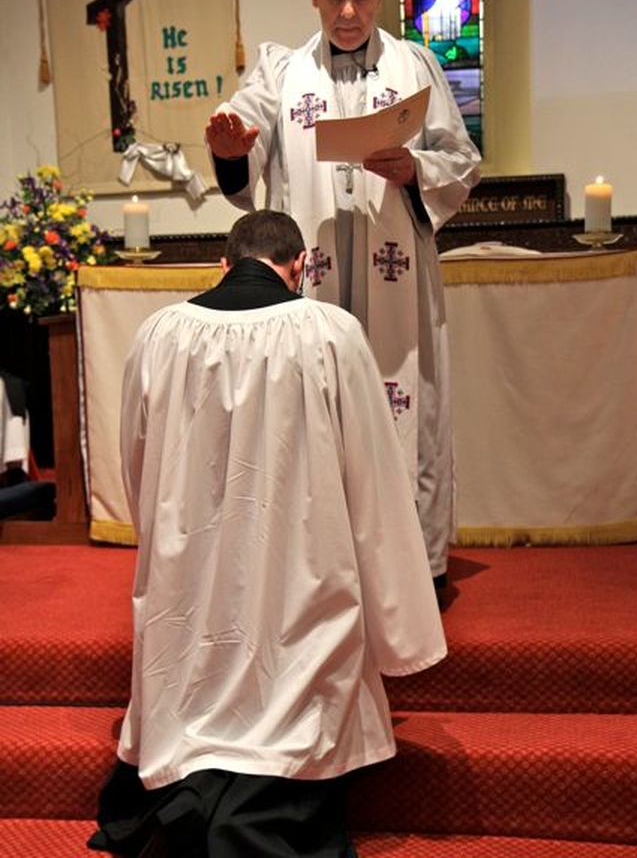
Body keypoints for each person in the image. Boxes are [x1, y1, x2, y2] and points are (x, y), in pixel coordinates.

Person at [88, 209, 447, 858]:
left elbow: (136, 460)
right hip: (301, 583)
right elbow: (374, 478)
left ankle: (192, 792)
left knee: (192, 685)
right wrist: (400, 626)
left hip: (189, 592)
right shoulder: (330, 332)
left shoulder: (160, 333)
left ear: (223, 265)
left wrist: (169, 542)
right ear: (302, 267)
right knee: (294, 684)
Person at [205, 0, 481, 591]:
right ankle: (320, 572)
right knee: (316, 415)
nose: (349, 12)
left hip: (398, 279)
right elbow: (243, 131)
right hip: (312, 283)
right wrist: (230, 145)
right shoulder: (279, 70)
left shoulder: (417, 65)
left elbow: (462, 160)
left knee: (403, 408)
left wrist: (415, 167)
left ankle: (415, 573)